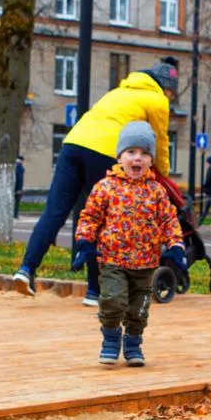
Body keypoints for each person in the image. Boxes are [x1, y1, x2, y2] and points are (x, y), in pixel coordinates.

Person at [11, 56, 178, 304]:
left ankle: (26, 269)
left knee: (54, 213)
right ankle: (93, 290)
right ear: (165, 87)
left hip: (72, 145)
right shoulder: (157, 101)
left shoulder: (119, 92)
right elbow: (160, 142)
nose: (171, 99)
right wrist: (162, 172)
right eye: (172, 93)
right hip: (103, 153)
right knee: (101, 219)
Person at [73, 121, 185, 367]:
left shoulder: (156, 191)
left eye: (145, 153)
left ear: (151, 159)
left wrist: (176, 246)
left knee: (139, 308)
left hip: (146, 262)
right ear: (120, 156)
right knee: (113, 299)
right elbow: (90, 216)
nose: (138, 158)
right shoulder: (106, 187)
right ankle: (111, 340)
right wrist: (84, 242)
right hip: (113, 259)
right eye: (131, 152)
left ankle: (133, 344)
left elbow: (168, 220)